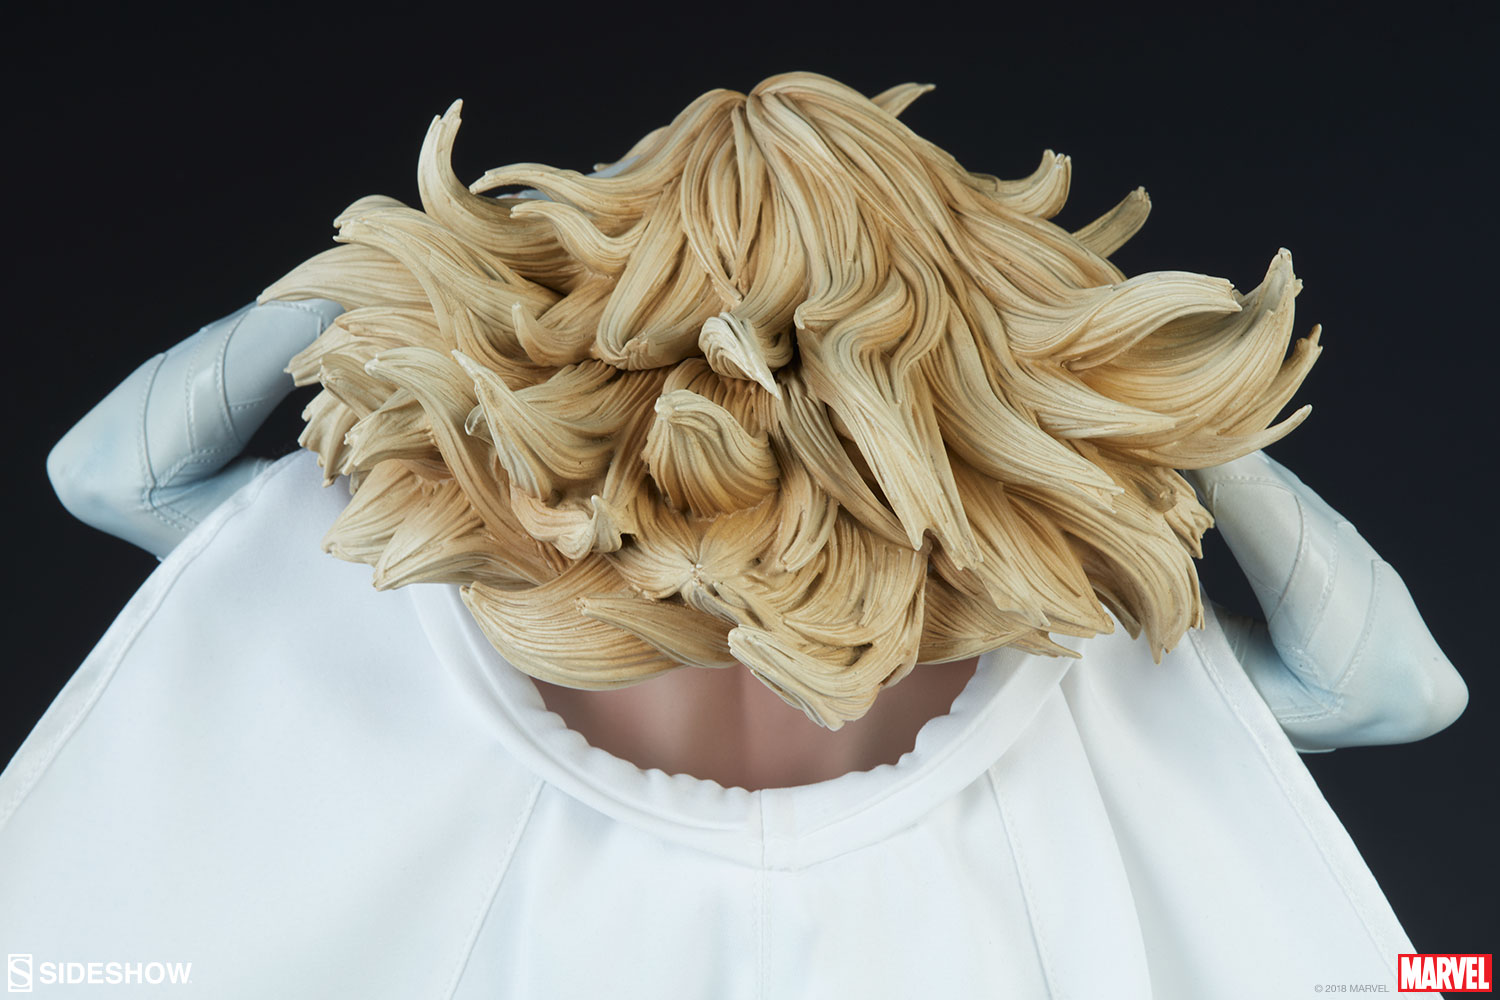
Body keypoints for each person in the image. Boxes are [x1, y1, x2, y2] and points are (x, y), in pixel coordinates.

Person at [3, 72, 1464, 997]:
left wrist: (393, 283)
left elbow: (113, 476)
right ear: (960, 319)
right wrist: (1139, 410)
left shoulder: (457, 562)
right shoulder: (1058, 636)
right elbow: (1389, 688)